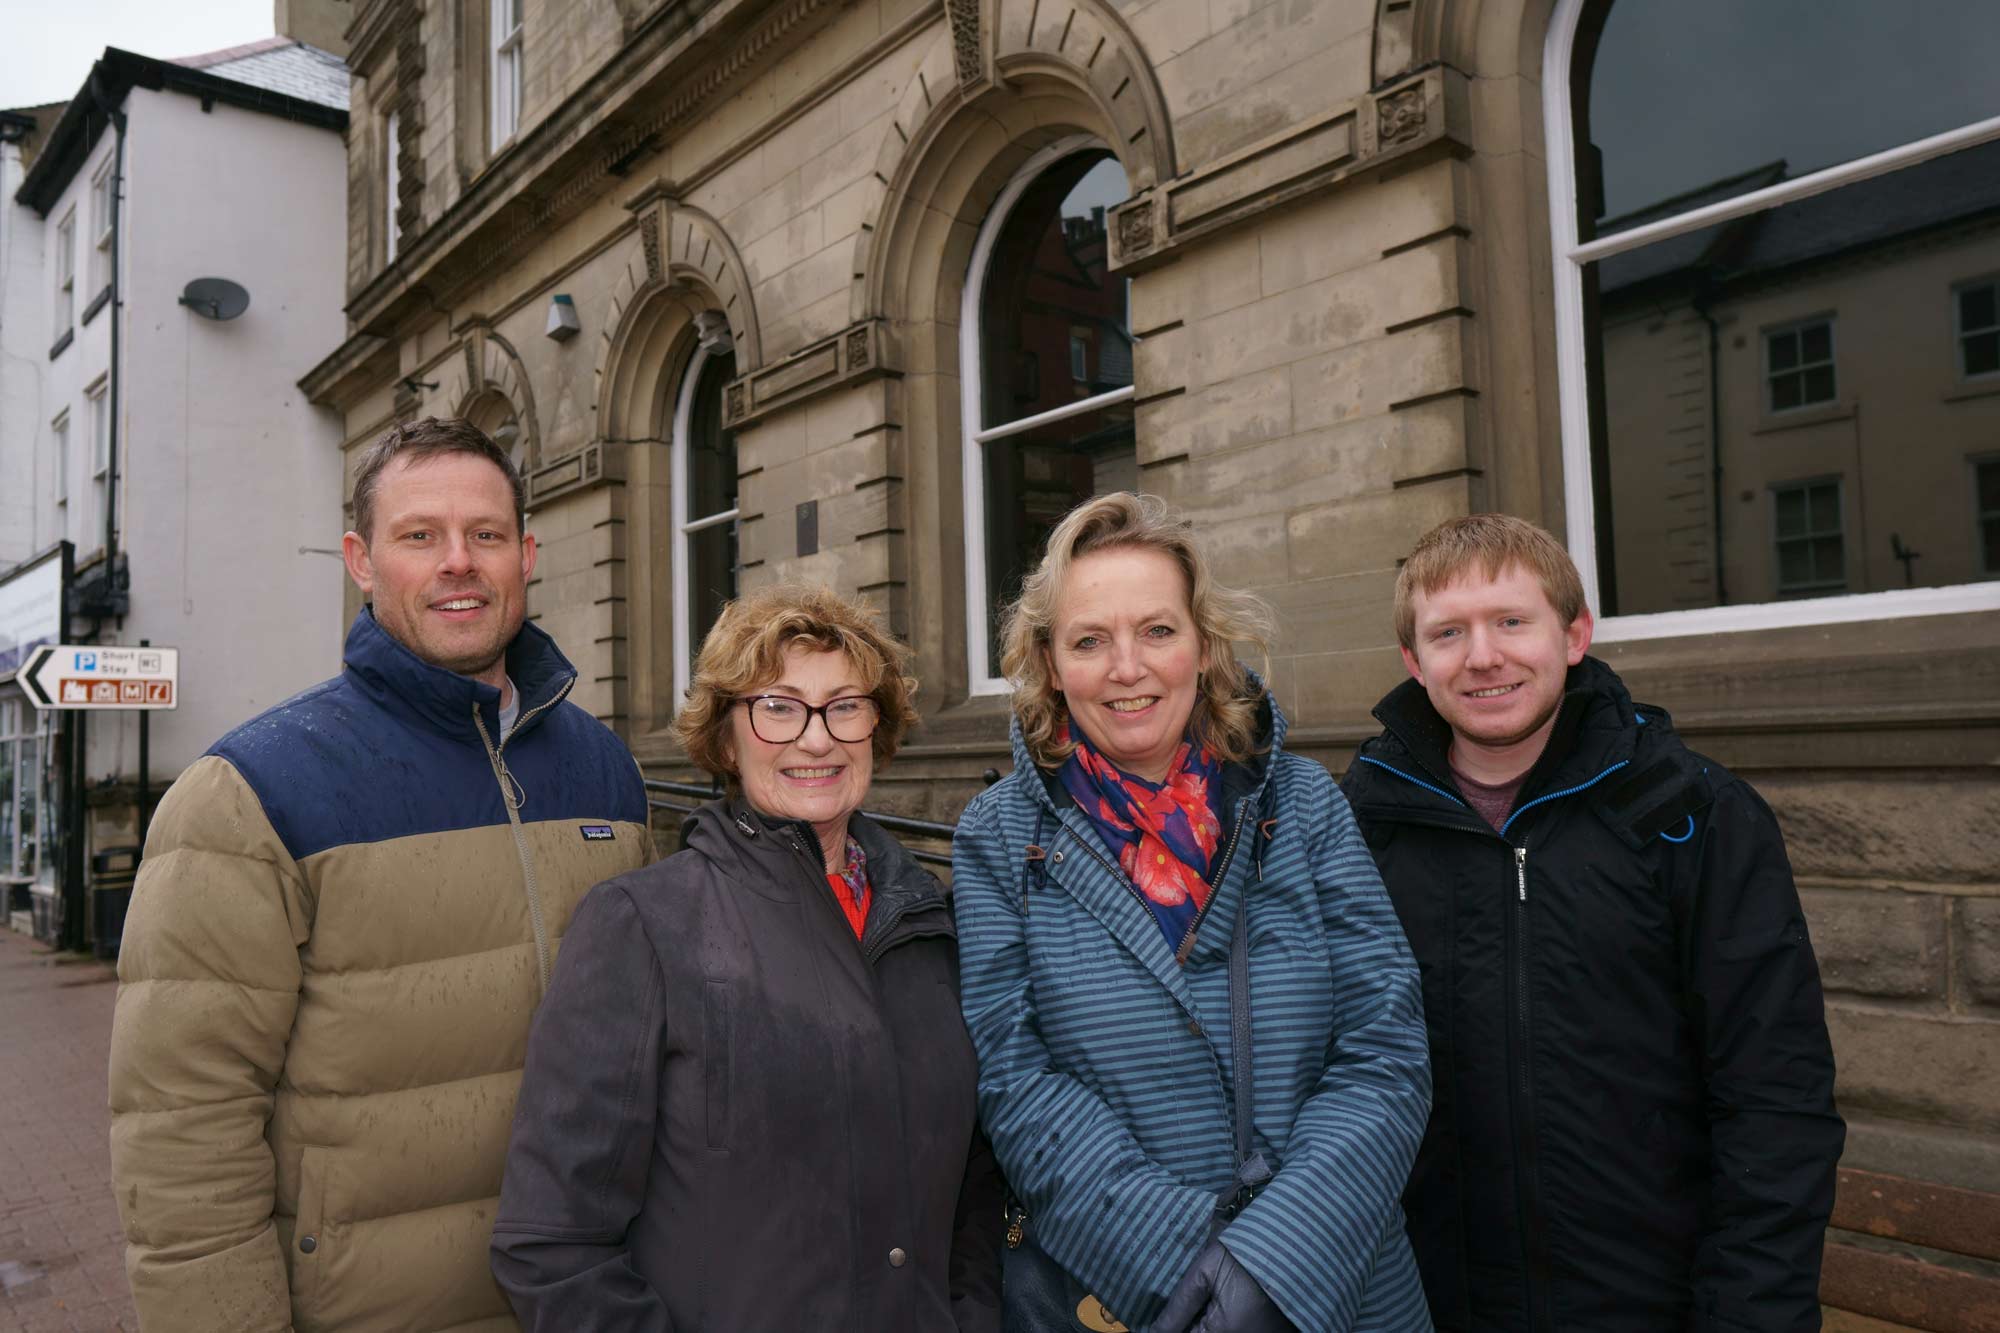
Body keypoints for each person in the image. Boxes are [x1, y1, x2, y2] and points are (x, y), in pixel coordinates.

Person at [108, 417, 653, 1332]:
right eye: (419, 536)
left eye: (484, 534)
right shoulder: (249, 793)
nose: (458, 562)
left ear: (525, 554)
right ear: (362, 560)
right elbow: (181, 1133)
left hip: (584, 1300)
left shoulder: (607, 771)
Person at [1341, 513, 1844, 1332]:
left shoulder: (1692, 814)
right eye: (1448, 632)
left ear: (1575, 634)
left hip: (1654, 1303)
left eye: (1512, 620)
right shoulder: (1356, 828)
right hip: (1426, 1305)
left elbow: (1774, 1101)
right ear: (1413, 660)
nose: (1483, 656)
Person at [953, 493, 1434, 1333]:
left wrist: (1273, 1263)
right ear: (1049, 662)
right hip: (1131, 1298)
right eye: (1090, 640)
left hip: (1340, 1289)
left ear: (1204, 644)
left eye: (1158, 630)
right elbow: (1015, 1081)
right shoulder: (998, 839)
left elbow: (1384, 1051)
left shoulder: (1304, 803)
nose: (1127, 667)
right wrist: (1190, 1260)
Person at [490, 583, 1003, 1331]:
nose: (817, 737)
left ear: (876, 730)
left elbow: (976, 1195)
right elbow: (553, 1242)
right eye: (778, 706)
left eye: (845, 705)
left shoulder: (932, 925)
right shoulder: (643, 927)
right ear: (726, 738)